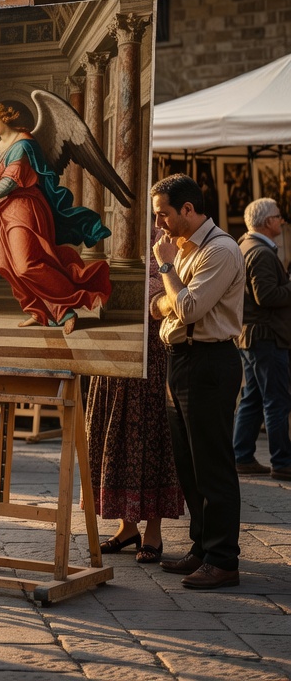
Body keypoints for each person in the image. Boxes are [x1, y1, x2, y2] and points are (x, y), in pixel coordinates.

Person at [150, 173, 245, 589]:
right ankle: (203, 548)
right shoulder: (184, 247)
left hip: (210, 362)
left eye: (164, 214)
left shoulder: (220, 249)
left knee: (212, 463)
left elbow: (186, 308)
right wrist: (171, 293)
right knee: (188, 463)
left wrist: (167, 269)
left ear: (188, 209)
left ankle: (224, 559)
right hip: (182, 360)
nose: (159, 225)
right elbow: (158, 307)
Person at [0, 104, 110, 334]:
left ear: (4, 117)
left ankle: (65, 309)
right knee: (5, 264)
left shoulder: (24, 144)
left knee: (27, 265)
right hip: (5, 212)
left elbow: (10, 181)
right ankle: (39, 311)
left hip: (24, 208)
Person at [85, 251, 184, 563]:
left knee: (152, 440)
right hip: (115, 349)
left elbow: (169, 297)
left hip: (152, 355)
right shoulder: (115, 239)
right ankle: (127, 527)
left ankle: (153, 532)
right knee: (117, 439)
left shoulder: (170, 243)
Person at [233, 198, 291, 480]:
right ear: (268, 221)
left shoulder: (246, 246)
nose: (282, 220)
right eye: (279, 216)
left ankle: (242, 455)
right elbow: (266, 296)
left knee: (254, 397)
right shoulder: (261, 252)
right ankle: (282, 461)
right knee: (276, 399)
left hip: (252, 334)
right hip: (265, 335)